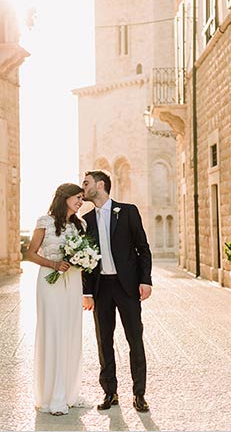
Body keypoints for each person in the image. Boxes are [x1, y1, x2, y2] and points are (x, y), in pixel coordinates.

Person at [80, 170, 152, 413]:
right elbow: (85, 261)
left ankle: (139, 394)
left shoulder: (128, 211)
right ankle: (110, 392)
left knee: (135, 339)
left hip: (127, 287)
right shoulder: (86, 219)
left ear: (100, 185)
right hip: (102, 288)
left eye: (86, 183)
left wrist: (146, 280)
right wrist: (87, 292)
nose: (83, 187)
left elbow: (143, 248)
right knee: (104, 341)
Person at [25, 183, 86, 416]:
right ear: (65, 197)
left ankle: (69, 391)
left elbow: (83, 253)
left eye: (82, 198)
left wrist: (83, 260)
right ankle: (53, 395)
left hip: (72, 282)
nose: (80, 202)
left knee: (70, 331)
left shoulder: (81, 225)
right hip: (49, 281)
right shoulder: (45, 221)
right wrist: (53, 264)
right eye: (77, 197)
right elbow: (30, 253)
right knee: (54, 331)